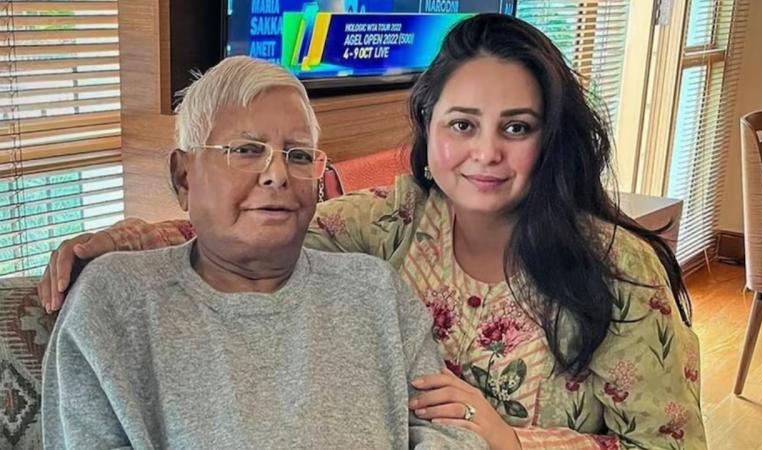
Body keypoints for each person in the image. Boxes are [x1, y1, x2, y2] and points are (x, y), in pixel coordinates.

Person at [39, 14, 707, 449]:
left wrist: (508, 441)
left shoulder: (618, 271)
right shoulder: (391, 225)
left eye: (517, 127)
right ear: (428, 130)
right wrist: (125, 241)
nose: (486, 153)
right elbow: (257, 226)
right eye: (462, 124)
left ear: (549, 139)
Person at [41, 56, 486, 450]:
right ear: (183, 177)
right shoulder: (113, 302)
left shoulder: (375, 291)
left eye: (298, 155)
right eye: (246, 151)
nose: (277, 174)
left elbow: (449, 431)